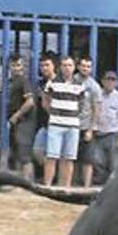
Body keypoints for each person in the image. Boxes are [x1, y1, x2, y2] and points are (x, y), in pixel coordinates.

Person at [43, 56, 85, 187]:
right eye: (64, 65)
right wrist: (54, 114)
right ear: (60, 67)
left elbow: (82, 104)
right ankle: (48, 186)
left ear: (74, 67)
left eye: (70, 65)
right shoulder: (52, 82)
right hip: (56, 124)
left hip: (72, 125)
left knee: (69, 157)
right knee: (52, 156)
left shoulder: (80, 84)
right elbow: (45, 101)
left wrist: (73, 115)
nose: (67, 68)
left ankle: (66, 187)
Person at [94, 71, 118, 180]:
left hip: (114, 134)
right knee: (97, 160)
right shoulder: (97, 95)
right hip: (98, 134)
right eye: (108, 79)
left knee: (114, 164)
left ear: (116, 83)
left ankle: (113, 187)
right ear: (102, 81)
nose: (110, 82)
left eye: (113, 79)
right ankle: (101, 182)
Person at [7, 55, 35, 179]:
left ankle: (28, 184)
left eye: (18, 65)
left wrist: (16, 115)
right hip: (18, 122)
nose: (16, 68)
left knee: (25, 155)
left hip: (25, 121)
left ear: (23, 66)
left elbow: (30, 102)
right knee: (18, 153)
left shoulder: (23, 80)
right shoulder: (11, 81)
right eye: (13, 65)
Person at [75, 57, 102, 188]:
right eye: (83, 66)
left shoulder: (94, 86)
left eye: (88, 66)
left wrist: (91, 130)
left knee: (88, 159)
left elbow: (96, 109)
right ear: (78, 66)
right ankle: (70, 185)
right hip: (72, 124)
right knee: (71, 157)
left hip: (86, 127)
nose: (85, 69)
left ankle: (86, 186)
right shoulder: (72, 81)